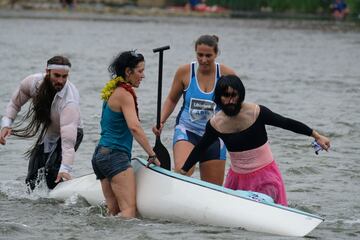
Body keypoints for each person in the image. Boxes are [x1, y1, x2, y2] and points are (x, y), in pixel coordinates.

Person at [180, 75, 330, 206]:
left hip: (266, 176)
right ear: (219, 97)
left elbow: (286, 123)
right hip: (237, 179)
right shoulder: (215, 123)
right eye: (225, 95)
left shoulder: (256, 112)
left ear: (241, 95)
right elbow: (200, 148)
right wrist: (183, 171)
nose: (230, 100)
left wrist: (317, 136)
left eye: (234, 95)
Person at [152, 35, 236, 186]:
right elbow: (172, 99)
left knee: (213, 189)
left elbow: (236, 105)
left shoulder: (226, 74)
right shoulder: (184, 72)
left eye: (208, 55)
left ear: (216, 54)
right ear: (195, 52)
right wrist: (161, 121)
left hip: (215, 136)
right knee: (182, 173)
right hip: (187, 131)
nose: (203, 60)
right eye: (200, 55)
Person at [91, 51, 160, 219]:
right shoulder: (124, 94)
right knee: (129, 212)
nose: (143, 76)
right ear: (128, 72)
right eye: (140, 71)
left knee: (112, 212)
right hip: (115, 156)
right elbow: (135, 128)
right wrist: (152, 154)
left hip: (100, 155)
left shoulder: (112, 91)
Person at [0, 55, 83, 190]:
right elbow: (14, 104)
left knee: (52, 174)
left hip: (71, 132)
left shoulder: (70, 100)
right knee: (32, 179)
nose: (60, 81)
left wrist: (65, 168)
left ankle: (61, 200)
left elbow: (68, 144)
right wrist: (6, 124)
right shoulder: (32, 83)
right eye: (57, 75)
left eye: (64, 77)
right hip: (49, 132)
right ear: (47, 72)